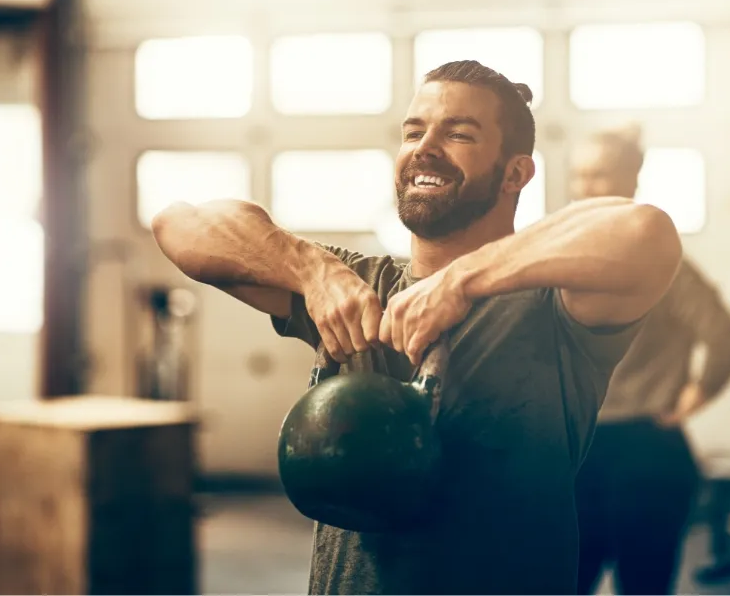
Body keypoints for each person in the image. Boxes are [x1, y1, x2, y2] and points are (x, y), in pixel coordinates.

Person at [152, 61, 682, 595]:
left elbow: (646, 233)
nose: (424, 147)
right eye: (413, 131)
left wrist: (462, 283)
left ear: (516, 174)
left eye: (457, 133)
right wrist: (311, 270)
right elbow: (180, 225)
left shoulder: (556, 308)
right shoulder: (352, 284)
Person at [570, 124, 730, 595]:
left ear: (631, 180)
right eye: (581, 175)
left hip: (644, 455)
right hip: (576, 455)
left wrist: (690, 398)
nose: (588, 187)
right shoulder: (561, 260)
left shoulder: (663, 264)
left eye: (601, 175)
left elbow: (728, 340)